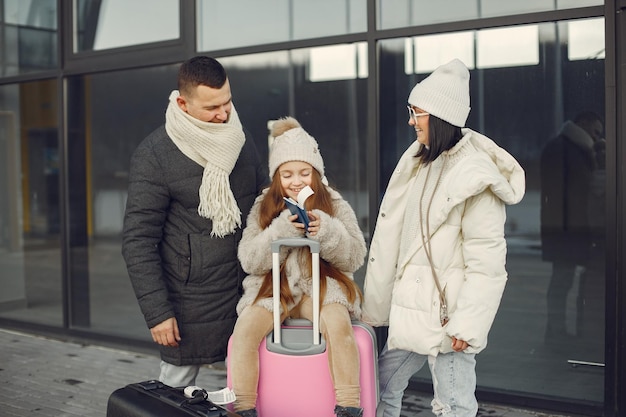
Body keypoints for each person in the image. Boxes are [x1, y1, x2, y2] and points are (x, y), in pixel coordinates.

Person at [361, 59, 525, 417]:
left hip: (452, 320)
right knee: (378, 387)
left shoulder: (475, 177)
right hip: (413, 309)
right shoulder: (421, 162)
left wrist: (467, 324)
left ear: (437, 115)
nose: (410, 120)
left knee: (454, 406)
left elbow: (487, 264)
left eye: (415, 112)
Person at [121, 56, 268, 388]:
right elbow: (138, 242)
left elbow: (263, 194)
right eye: (212, 107)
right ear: (184, 103)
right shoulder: (155, 155)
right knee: (175, 388)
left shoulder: (239, 138)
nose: (224, 113)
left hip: (248, 290)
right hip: (191, 300)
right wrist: (158, 313)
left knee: (250, 387)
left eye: (227, 101)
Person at [229, 117, 367, 417]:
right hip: (274, 290)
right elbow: (249, 259)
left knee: (338, 324)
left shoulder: (335, 202)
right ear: (276, 176)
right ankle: (242, 408)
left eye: (304, 173)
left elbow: (355, 255)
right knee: (244, 331)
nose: (296, 181)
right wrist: (280, 232)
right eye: (287, 174)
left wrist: (327, 232)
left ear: (316, 173)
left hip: (321, 287)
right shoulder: (263, 205)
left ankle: (349, 405)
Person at [540, 111, 604, 345]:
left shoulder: (570, 147)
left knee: (563, 280)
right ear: (583, 124)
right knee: (562, 280)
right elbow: (567, 192)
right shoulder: (568, 149)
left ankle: (555, 330)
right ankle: (555, 332)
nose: (597, 138)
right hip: (566, 228)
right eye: (595, 132)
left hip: (566, 226)